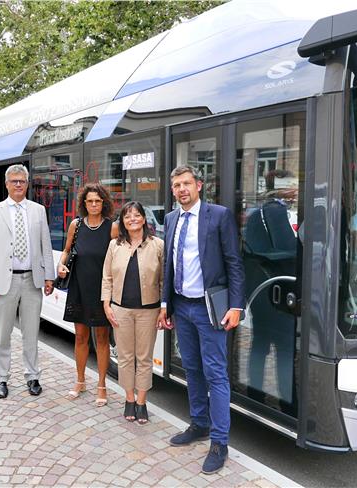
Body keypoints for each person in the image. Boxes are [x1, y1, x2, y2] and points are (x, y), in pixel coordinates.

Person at [158, 165, 244, 475]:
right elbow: (169, 263)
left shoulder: (218, 216)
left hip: (211, 310)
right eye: (176, 185)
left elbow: (234, 263)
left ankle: (220, 442)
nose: (181, 189)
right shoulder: (171, 219)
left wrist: (236, 306)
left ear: (199, 185)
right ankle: (199, 424)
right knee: (191, 368)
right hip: (182, 307)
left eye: (186, 184)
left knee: (216, 374)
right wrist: (165, 303)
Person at [0, 164, 55, 399]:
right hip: (5, 282)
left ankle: (32, 376)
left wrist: (49, 275)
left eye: (22, 181)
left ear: (28, 183)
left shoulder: (38, 210)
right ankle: (1, 379)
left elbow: (45, 244)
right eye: (14, 181)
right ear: (6, 184)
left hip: (32, 280)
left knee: (31, 333)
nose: (18, 184)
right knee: (2, 334)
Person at [101, 201, 164, 424]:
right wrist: (106, 304)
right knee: (126, 357)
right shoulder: (114, 246)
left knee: (144, 358)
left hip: (149, 310)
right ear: (123, 221)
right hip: (121, 309)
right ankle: (129, 399)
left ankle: (142, 402)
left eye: (137, 215)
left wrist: (163, 309)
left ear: (144, 219)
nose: (132, 219)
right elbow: (107, 277)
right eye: (127, 216)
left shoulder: (157, 245)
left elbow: (164, 280)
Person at [57, 183, 118, 407]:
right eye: (90, 201)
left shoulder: (112, 227)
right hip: (78, 288)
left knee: (101, 339)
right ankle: (80, 381)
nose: (93, 204)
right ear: (84, 203)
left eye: (98, 201)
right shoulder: (77, 225)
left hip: (101, 291)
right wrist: (60, 266)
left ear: (104, 203)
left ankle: (101, 386)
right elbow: (66, 251)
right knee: (80, 337)